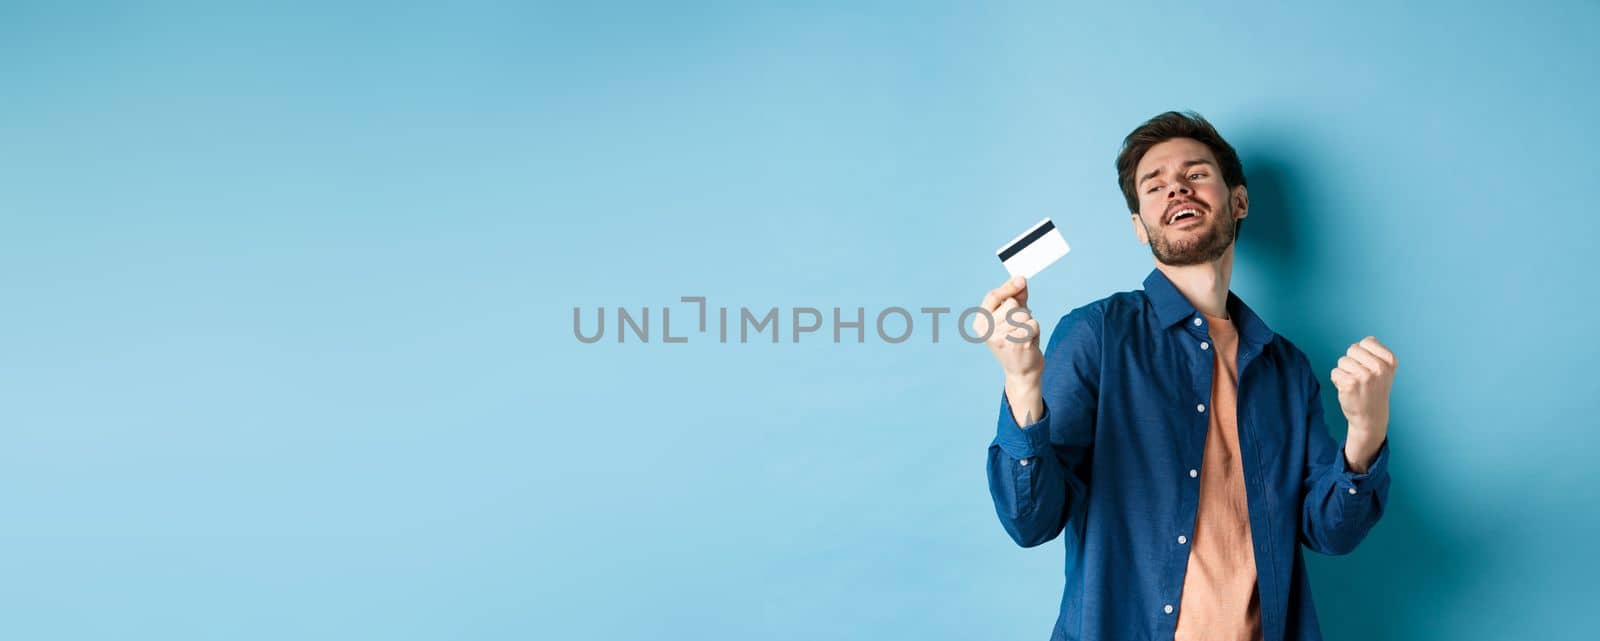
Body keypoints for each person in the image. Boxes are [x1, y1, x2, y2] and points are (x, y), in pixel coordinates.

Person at [977, 111, 1397, 641]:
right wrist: (1021, 385)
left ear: (1238, 202)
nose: (1175, 188)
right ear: (1139, 227)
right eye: (1154, 187)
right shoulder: (1096, 334)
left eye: (1195, 174)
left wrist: (1366, 432)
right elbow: (1030, 521)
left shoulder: (1285, 367)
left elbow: (1329, 531)